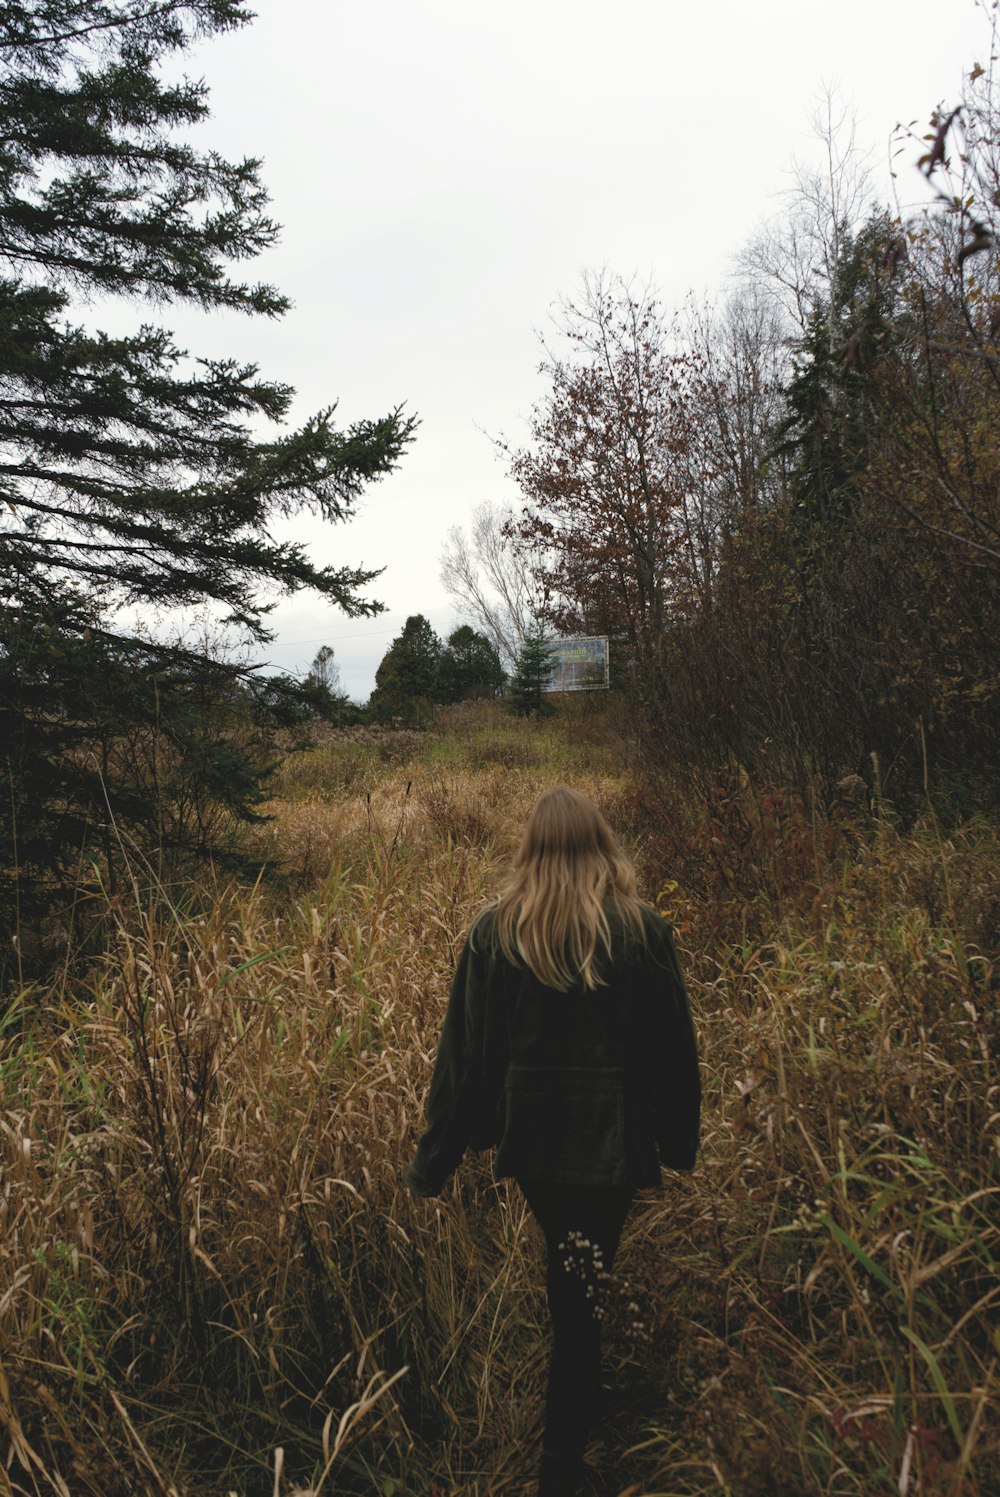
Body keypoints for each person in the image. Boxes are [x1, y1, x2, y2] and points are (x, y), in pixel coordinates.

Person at [405, 786, 701, 1497]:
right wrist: (677, 1138)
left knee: (575, 1293)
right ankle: (559, 1473)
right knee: (579, 1307)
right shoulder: (642, 931)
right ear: (602, 845)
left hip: (536, 1151)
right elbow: (673, 1053)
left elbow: (464, 1058)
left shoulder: (495, 932)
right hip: (610, 1154)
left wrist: (435, 1159)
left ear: (531, 848)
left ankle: (563, 1462)